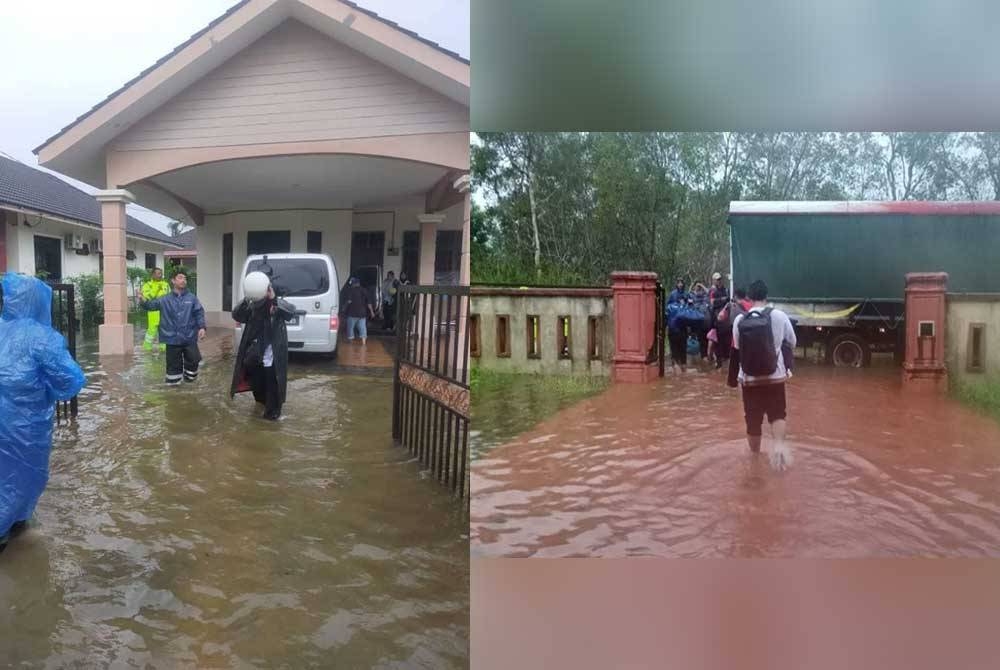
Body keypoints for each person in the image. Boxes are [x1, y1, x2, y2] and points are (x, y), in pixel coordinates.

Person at [0, 274, 86, 551]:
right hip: (25, 428)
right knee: (22, 478)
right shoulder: (42, 338)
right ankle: (11, 528)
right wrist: (45, 391)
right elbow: (70, 381)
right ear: (40, 301)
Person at [728, 280, 797, 470]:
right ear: (767, 296)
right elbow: (792, 342)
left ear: (749, 297)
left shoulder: (740, 321)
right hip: (775, 378)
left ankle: (755, 463)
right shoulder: (780, 316)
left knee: (753, 420)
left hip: (750, 381)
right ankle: (780, 450)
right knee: (777, 414)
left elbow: (737, 348)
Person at [231, 272, 296, 420]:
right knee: (258, 391)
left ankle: (272, 417)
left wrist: (273, 298)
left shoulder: (277, 304)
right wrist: (247, 299)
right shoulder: (252, 305)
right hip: (255, 356)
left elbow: (290, 312)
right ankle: (260, 415)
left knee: (273, 391)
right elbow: (237, 315)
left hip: (272, 357)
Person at [138, 272, 206, 384]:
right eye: (180, 278)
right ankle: (174, 392)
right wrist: (142, 300)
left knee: (194, 360)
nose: (183, 280)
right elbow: (151, 305)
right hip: (172, 339)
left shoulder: (192, 298)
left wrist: (202, 327)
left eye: (185, 278)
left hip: (189, 337)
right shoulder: (164, 299)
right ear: (173, 281)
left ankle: (190, 382)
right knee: (173, 371)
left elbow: (199, 312)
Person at [140, 267, 170, 352]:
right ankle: (147, 349)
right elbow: (148, 298)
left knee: (164, 329)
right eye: (158, 273)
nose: (160, 275)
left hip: (164, 311)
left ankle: (163, 349)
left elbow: (170, 296)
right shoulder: (147, 285)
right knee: (152, 330)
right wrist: (157, 289)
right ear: (153, 274)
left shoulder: (166, 284)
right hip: (153, 311)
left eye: (161, 273)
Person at [343, 276, 375, 345]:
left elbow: (349, 301)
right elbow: (369, 302)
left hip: (352, 313)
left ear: (354, 283)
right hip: (362, 314)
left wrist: (344, 308)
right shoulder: (364, 290)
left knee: (350, 328)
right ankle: (363, 343)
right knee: (362, 328)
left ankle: (350, 344)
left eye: (352, 283)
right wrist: (372, 312)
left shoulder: (351, 290)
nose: (351, 285)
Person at [708, 272, 731, 367]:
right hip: (717, 319)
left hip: (727, 319)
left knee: (727, 340)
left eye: (720, 279)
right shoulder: (713, 291)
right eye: (717, 279)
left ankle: (725, 359)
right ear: (713, 280)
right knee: (718, 341)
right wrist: (723, 299)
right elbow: (712, 303)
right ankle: (718, 361)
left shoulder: (726, 290)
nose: (719, 281)